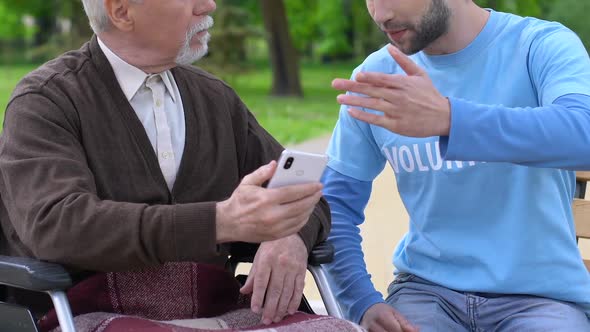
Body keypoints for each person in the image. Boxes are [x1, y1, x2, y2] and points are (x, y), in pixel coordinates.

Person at [0, 1, 360, 331]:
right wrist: (220, 221)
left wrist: (290, 236)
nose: (208, 5)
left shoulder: (216, 99)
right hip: (92, 312)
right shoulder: (46, 101)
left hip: (219, 307)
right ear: (122, 11)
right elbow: (58, 226)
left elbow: (309, 197)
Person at [322, 0, 590, 331]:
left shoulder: (539, 44)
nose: (380, 14)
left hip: (543, 301)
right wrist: (361, 302)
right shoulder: (376, 77)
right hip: (425, 294)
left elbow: (583, 133)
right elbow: (333, 205)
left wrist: (451, 119)